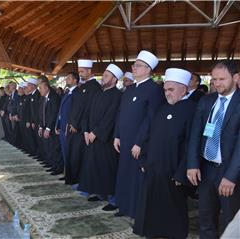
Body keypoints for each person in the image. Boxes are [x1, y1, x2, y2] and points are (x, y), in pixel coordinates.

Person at [133, 68, 196, 239]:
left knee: (174, 210)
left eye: (171, 90)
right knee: (152, 205)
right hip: (153, 169)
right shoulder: (161, 109)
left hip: (173, 172)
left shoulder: (192, 110)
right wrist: (144, 161)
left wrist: (181, 173)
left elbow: (192, 144)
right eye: (165, 89)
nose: (167, 93)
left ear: (183, 89)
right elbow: (150, 137)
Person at [187, 60, 240, 238]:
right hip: (206, 170)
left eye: (222, 79)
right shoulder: (207, 100)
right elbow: (195, 134)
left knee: (230, 223)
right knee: (206, 220)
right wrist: (192, 164)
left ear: (236, 78)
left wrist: (231, 177)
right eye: (214, 79)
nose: (217, 83)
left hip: (230, 174)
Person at [113, 50, 166, 218]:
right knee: (124, 175)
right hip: (124, 140)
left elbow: (151, 119)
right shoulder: (129, 89)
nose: (134, 68)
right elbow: (120, 114)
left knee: (137, 178)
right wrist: (117, 135)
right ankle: (124, 206)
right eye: (134, 65)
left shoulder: (154, 90)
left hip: (138, 143)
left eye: (138, 66)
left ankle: (136, 210)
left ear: (148, 69)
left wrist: (140, 143)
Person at [78, 64, 123, 211]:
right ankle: (100, 193)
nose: (103, 78)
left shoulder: (117, 95)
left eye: (106, 76)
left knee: (107, 169)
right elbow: (86, 113)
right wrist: (85, 131)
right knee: (95, 168)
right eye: (103, 75)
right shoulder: (98, 93)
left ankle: (113, 199)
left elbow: (110, 118)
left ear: (115, 79)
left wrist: (95, 133)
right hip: (90, 137)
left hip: (106, 140)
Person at [65, 59, 101, 188]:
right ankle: (74, 180)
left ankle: (80, 181)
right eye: (79, 71)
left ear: (90, 71)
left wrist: (77, 124)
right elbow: (76, 107)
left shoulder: (95, 87)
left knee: (79, 156)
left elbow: (87, 109)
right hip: (75, 126)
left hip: (81, 129)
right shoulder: (83, 86)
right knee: (73, 155)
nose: (80, 74)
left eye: (82, 71)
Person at [55, 72, 80, 180]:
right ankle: (67, 174)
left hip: (69, 127)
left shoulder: (77, 93)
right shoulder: (67, 92)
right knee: (65, 151)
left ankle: (72, 176)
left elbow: (76, 112)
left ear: (75, 80)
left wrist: (70, 124)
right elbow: (60, 111)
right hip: (62, 126)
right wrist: (57, 124)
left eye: (69, 78)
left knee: (70, 152)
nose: (66, 79)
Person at [38, 80, 63, 175]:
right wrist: (41, 126)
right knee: (49, 147)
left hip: (52, 128)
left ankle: (58, 167)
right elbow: (41, 113)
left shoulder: (54, 97)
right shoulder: (43, 98)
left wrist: (48, 128)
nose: (39, 90)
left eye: (40, 88)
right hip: (45, 126)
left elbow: (54, 114)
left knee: (55, 148)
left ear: (46, 88)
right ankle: (52, 164)